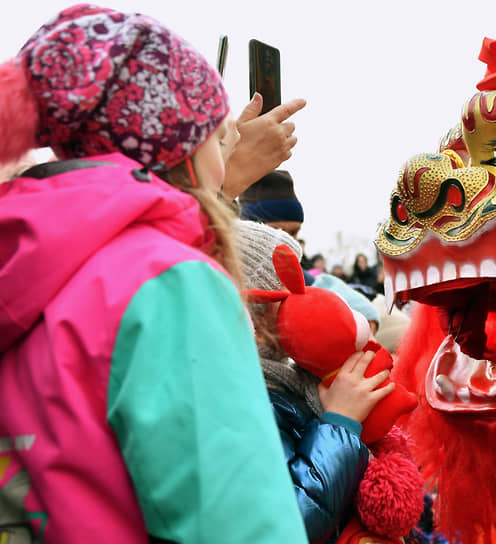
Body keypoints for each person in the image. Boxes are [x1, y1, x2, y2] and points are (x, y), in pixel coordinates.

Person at [0, 5, 306, 543]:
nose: (225, 150)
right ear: (181, 149)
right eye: (217, 133)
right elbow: (240, 525)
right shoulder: (168, 282)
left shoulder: (29, 265)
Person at [235, 219, 395, 544]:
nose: (305, 298)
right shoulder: (250, 398)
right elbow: (291, 520)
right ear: (256, 309)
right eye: (289, 292)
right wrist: (340, 422)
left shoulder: (290, 380)